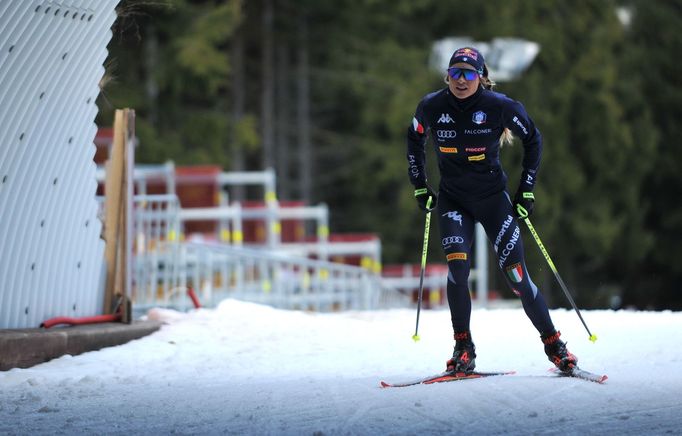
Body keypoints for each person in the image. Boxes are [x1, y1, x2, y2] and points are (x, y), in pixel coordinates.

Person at [406, 46, 577, 374]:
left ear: (482, 78)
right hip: (453, 201)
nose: (461, 80)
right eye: (455, 72)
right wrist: (419, 184)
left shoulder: (500, 107)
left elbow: (534, 139)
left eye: (469, 74)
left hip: (492, 200)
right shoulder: (431, 106)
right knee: (458, 270)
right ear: (447, 76)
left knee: (517, 278)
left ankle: (554, 343)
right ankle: (463, 347)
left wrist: (526, 188)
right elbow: (413, 139)